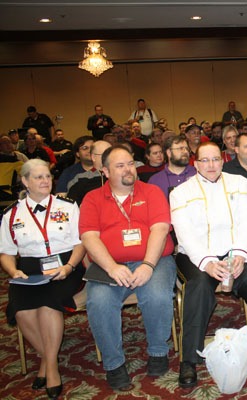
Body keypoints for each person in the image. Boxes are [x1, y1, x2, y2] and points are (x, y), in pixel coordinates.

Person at [170, 142, 247, 388]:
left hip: (233, 251)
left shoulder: (238, 183)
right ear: (196, 164)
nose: (211, 165)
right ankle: (188, 360)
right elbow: (184, 234)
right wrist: (208, 263)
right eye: (205, 160)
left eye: (215, 159)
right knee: (198, 287)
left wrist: (240, 254)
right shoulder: (180, 192)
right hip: (196, 256)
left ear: (222, 161)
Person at [79, 145, 176, 390]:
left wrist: (148, 264)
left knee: (156, 296)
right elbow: (89, 237)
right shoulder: (92, 198)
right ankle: (114, 363)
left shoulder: (152, 192)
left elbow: (160, 229)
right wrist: (112, 267)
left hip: (154, 259)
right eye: (120, 166)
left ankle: (158, 351)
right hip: (109, 265)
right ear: (105, 171)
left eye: (131, 163)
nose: (128, 169)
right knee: (99, 302)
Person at [0, 159, 85, 399]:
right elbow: (6, 252)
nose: (46, 181)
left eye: (48, 176)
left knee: (48, 306)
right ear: (25, 181)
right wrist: (13, 272)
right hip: (28, 269)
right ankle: (49, 359)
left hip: (65, 264)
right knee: (21, 311)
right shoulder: (12, 213)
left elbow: (80, 243)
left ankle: (51, 369)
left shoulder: (68, 206)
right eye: (38, 177)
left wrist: (69, 266)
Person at [148, 134, 196, 200]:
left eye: (187, 149)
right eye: (181, 148)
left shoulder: (197, 174)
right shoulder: (155, 181)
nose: (185, 151)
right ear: (169, 153)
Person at [67, 140, 112, 205]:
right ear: (93, 157)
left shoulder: (119, 176)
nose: (110, 157)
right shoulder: (80, 179)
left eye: (112, 154)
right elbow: (72, 205)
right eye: (105, 154)